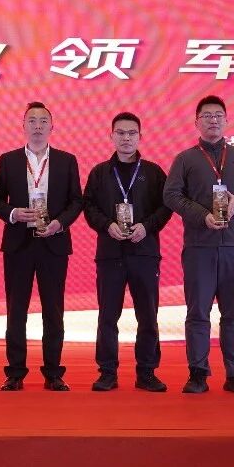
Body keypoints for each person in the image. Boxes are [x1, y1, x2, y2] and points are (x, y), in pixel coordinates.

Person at [163, 95, 234, 395]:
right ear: (196, 122)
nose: (213, 120)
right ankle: (198, 373)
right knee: (198, 313)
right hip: (200, 247)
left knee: (233, 313)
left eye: (218, 115)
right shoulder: (185, 159)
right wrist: (202, 216)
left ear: (226, 120)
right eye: (207, 115)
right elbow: (171, 195)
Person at [0, 102, 83, 392]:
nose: (37, 125)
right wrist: (13, 213)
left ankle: (53, 373)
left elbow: (76, 201)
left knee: (53, 310)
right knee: (16, 310)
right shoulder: (8, 160)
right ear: (23, 126)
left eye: (43, 121)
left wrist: (60, 223)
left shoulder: (66, 160)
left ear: (52, 127)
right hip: (18, 243)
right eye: (32, 120)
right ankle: (15, 373)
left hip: (53, 242)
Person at [81, 111, 173, 392]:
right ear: (111, 136)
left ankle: (146, 372)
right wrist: (106, 225)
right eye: (120, 133)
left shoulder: (153, 172)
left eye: (132, 133)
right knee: (108, 316)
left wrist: (147, 226)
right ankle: (107, 372)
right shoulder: (99, 173)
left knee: (148, 315)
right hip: (110, 254)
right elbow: (88, 207)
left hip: (144, 253)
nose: (126, 138)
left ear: (140, 137)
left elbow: (166, 206)